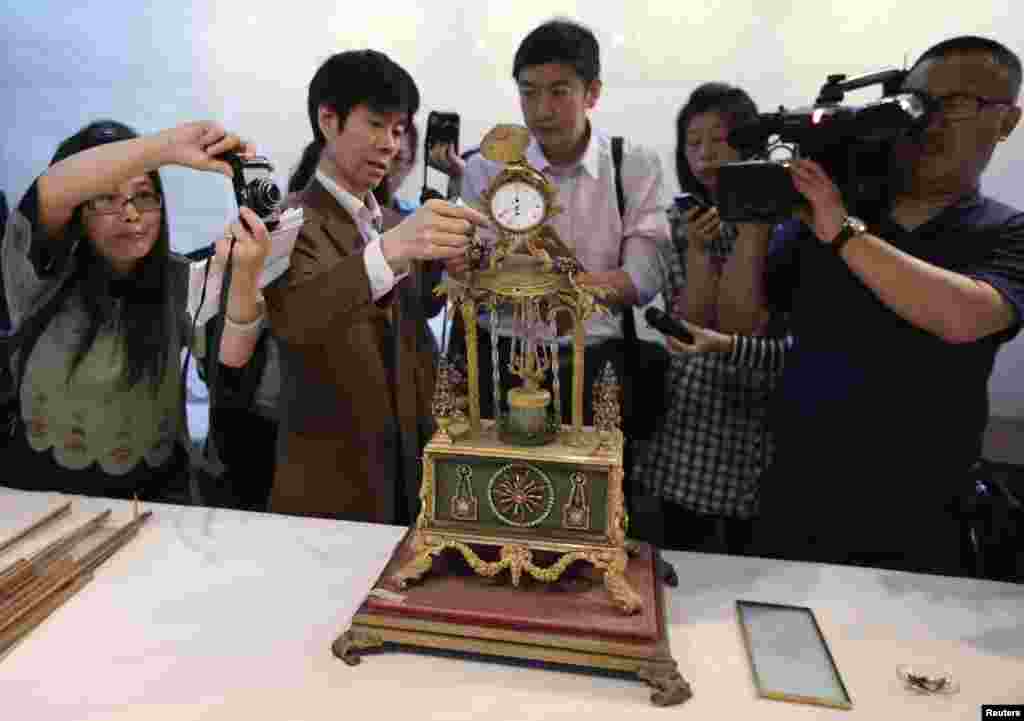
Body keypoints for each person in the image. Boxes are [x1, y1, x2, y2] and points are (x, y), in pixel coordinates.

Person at [723, 36, 1024, 576]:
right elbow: (743, 321)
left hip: (923, 515)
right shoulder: (830, 212)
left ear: (1007, 121)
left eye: (958, 105)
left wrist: (841, 232)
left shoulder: (1007, 232)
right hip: (797, 497)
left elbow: (965, 317)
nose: (932, 122)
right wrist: (753, 225)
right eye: (919, 104)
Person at [264, 50, 488, 524]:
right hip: (332, 482)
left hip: (408, 467)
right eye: (376, 125)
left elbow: (416, 307)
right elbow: (294, 320)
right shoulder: (286, 222)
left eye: (399, 129)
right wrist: (394, 248)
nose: (390, 144)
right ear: (328, 120)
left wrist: (454, 267)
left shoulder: (387, 219)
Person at [1, 119, 270, 502]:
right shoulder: (39, 275)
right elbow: (51, 189)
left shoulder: (182, 279)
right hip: (36, 496)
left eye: (144, 194)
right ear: (76, 209)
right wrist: (167, 147)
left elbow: (231, 365)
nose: (130, 213)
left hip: (152, 503)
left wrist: (245, 276)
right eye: (106, 198)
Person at [434, 18, 671, 431]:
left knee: (585, 490)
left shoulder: (632, 165)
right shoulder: (486, 166)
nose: (541, 110)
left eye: (559, 92)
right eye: (529, 92)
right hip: (495, 357)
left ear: (592, 92)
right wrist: (462, 265)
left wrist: (539, 284)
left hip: (591, 361)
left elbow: (643, 278)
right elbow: (465, 269)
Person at [632, 84, 790, 555]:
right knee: (678, 556)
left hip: (756, 413)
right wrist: (701, 249)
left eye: (718, 141)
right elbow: (694, 322)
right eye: (693, 142)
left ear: (748, 144)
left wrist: (747, 231)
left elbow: (743, 327)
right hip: (689, 411)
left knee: (748, 559)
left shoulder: (785, 222)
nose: (705, 154)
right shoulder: (680, 222)